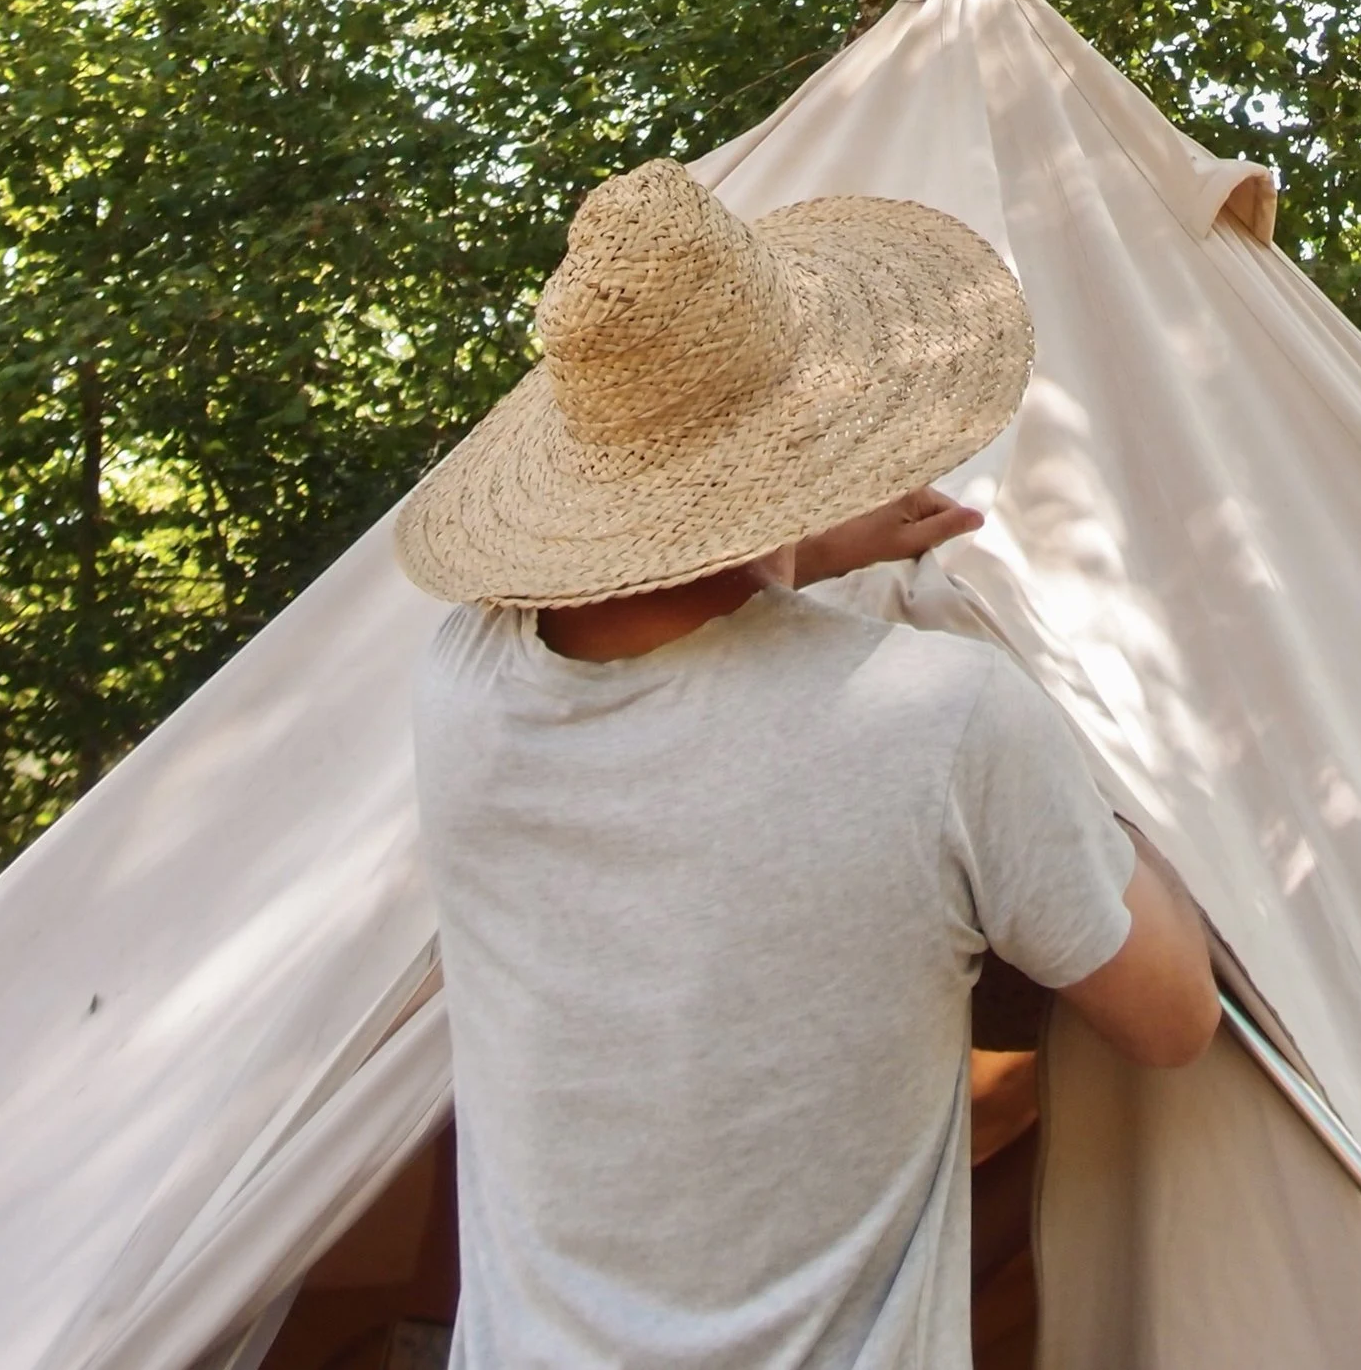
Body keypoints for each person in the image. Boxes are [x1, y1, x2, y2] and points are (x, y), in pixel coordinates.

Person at [396, 158, 1218, 1370]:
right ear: (805, 437)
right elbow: (1172, 1018)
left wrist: (794, 550)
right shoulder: (940, 721)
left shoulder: (457, 687)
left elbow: (673, 650)